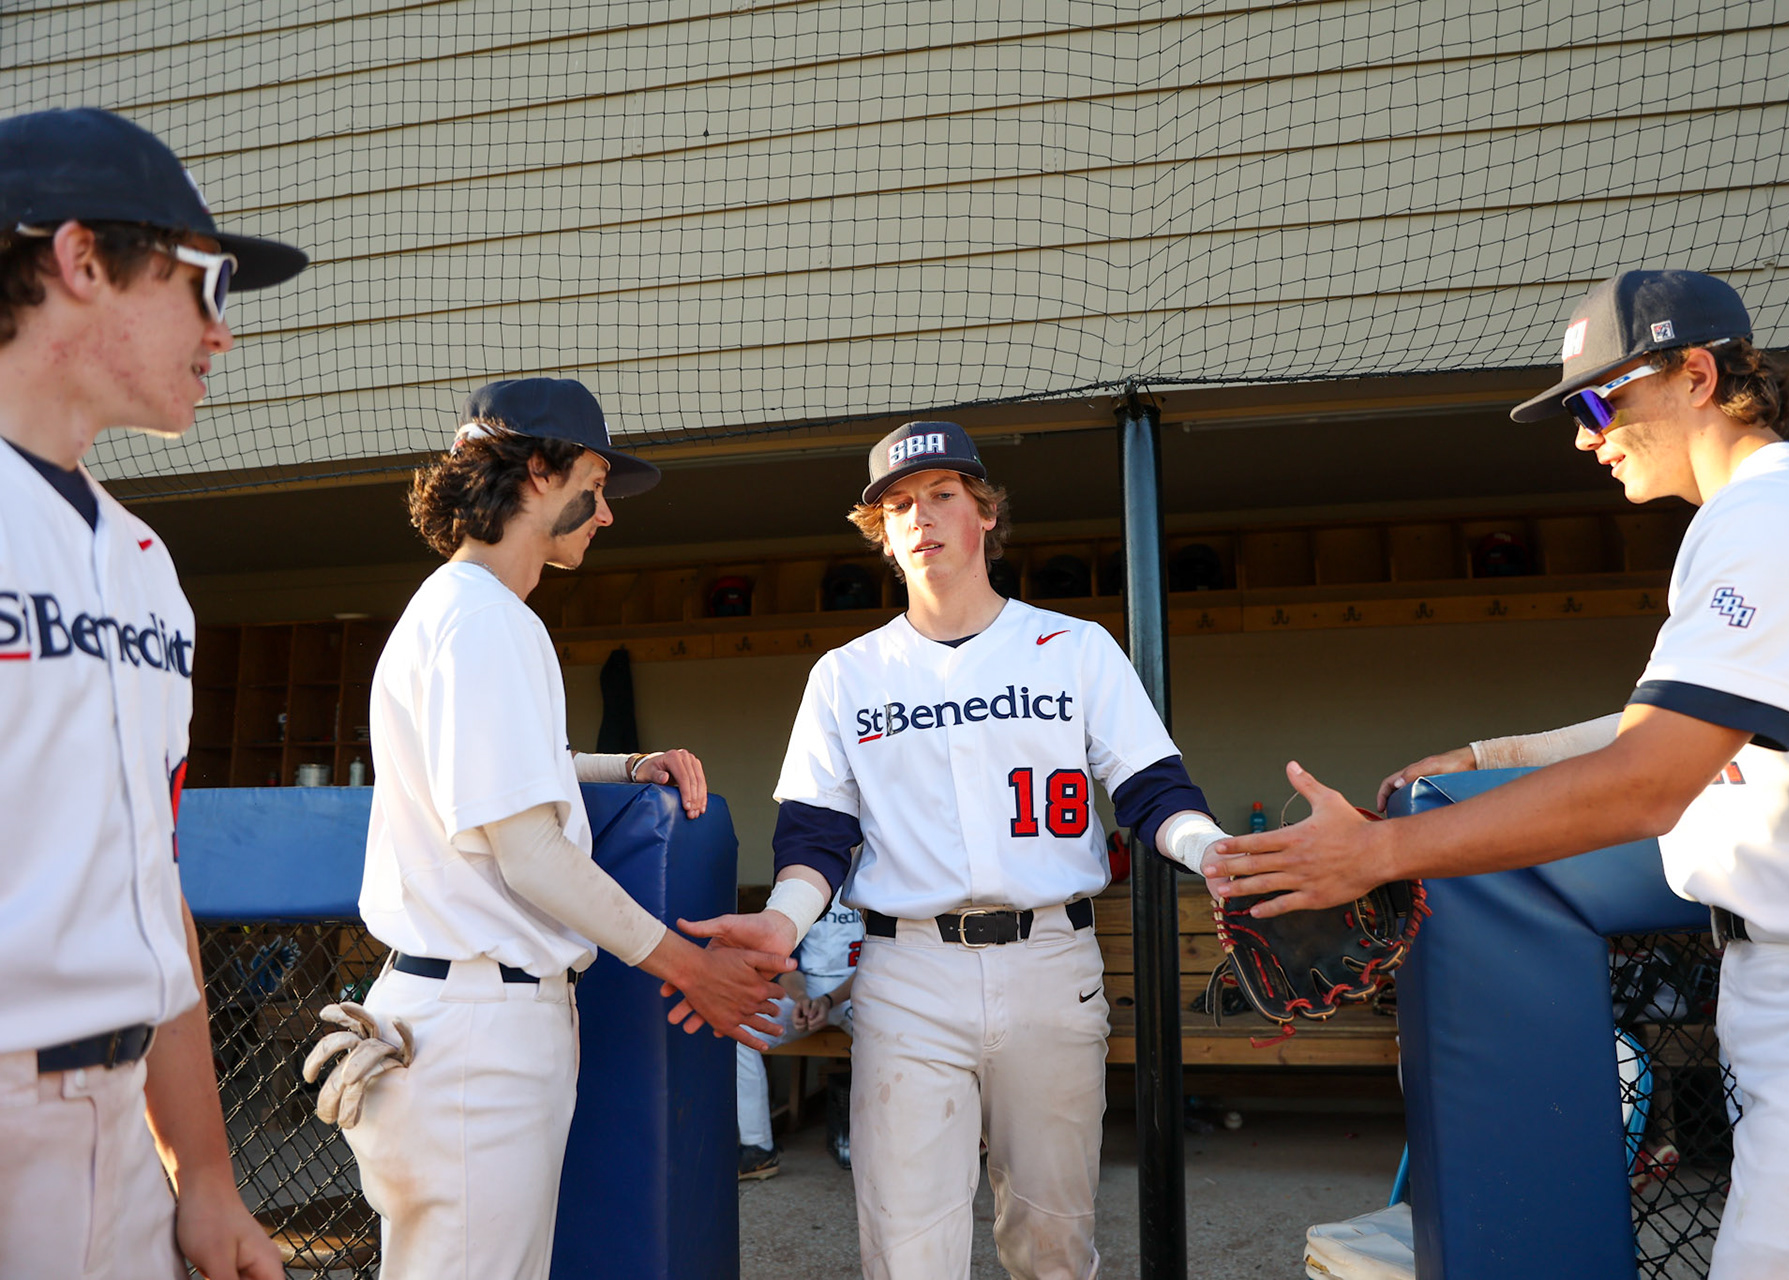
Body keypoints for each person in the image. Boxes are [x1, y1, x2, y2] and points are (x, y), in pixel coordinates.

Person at [1204, 270, 1789, 1277]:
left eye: (1599, 399)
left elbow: (1646, 780)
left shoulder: (1784, 513)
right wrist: (1493, 758)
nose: (1586, 434)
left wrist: (1377, 851)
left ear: (1697, 374)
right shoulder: (1781, 511)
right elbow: (1666, 723)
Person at [683, 421, 1234, 1279]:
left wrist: (1214, 854)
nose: (921, 516)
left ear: (984, 516)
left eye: (943, 495)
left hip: (1053, 960)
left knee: (1052, 1242)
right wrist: (784, 924)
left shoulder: (1075, 648)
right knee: (908, 1252)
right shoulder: (847, 674)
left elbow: (1154, 792)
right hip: (909, 975)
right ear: (883, 533)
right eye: (899, 504)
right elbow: (817, 840)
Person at [342, 377, 794, 1280]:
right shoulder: (483, 619)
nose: (607, 513)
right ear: (541, 473)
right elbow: (529, 852)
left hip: (460, 1015)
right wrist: (689, 966)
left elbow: (495, 782)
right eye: (596, 479)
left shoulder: (461, 608)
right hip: (474, 1026)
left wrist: (624, 767)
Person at [0, 107, 306, 1280]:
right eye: (207, 281)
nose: (224, 332)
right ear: (81, 260)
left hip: (126, 1135)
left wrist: (210, 1176)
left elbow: (153, 874)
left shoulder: (147, 566)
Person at [736, 885, 864, 1179]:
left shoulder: (875, 878)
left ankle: (894, 1147)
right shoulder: (808, 880)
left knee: (893, 1043)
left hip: (860, 990)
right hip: (808, 991)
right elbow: (787, 964)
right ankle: (758, 1149)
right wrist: (803, 999)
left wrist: (829, 1000)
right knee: (743, 1032)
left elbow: (876, 964)